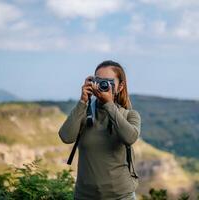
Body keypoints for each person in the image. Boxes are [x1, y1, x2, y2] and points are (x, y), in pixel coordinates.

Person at [58, 60, 141, 200]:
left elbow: (130, 138)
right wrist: (83, 101)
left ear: (120, 86)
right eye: (98, 80)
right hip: (85, 196)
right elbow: (66, 137)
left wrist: (109, 104)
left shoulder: (130, 115)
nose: (102, 85)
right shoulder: (83, 114)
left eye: (108, 81)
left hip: (121, 196)